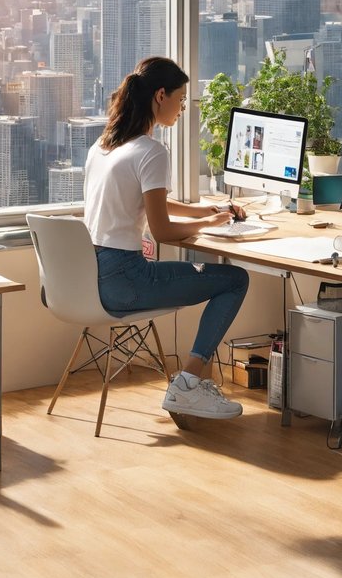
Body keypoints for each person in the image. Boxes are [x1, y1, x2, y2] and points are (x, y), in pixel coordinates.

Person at [83, 56, 249, 420]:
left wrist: (204, 212)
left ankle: (190, 385)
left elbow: (150, 200)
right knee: (235, 279)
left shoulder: (104, 147)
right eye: (181, 99)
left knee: (226, 277)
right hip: (127, 279)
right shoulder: (152, 151)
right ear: (161, 96)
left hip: (92, 275)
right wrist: (212, 225)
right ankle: (188, 384)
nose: (182, 108)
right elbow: (162, 231)